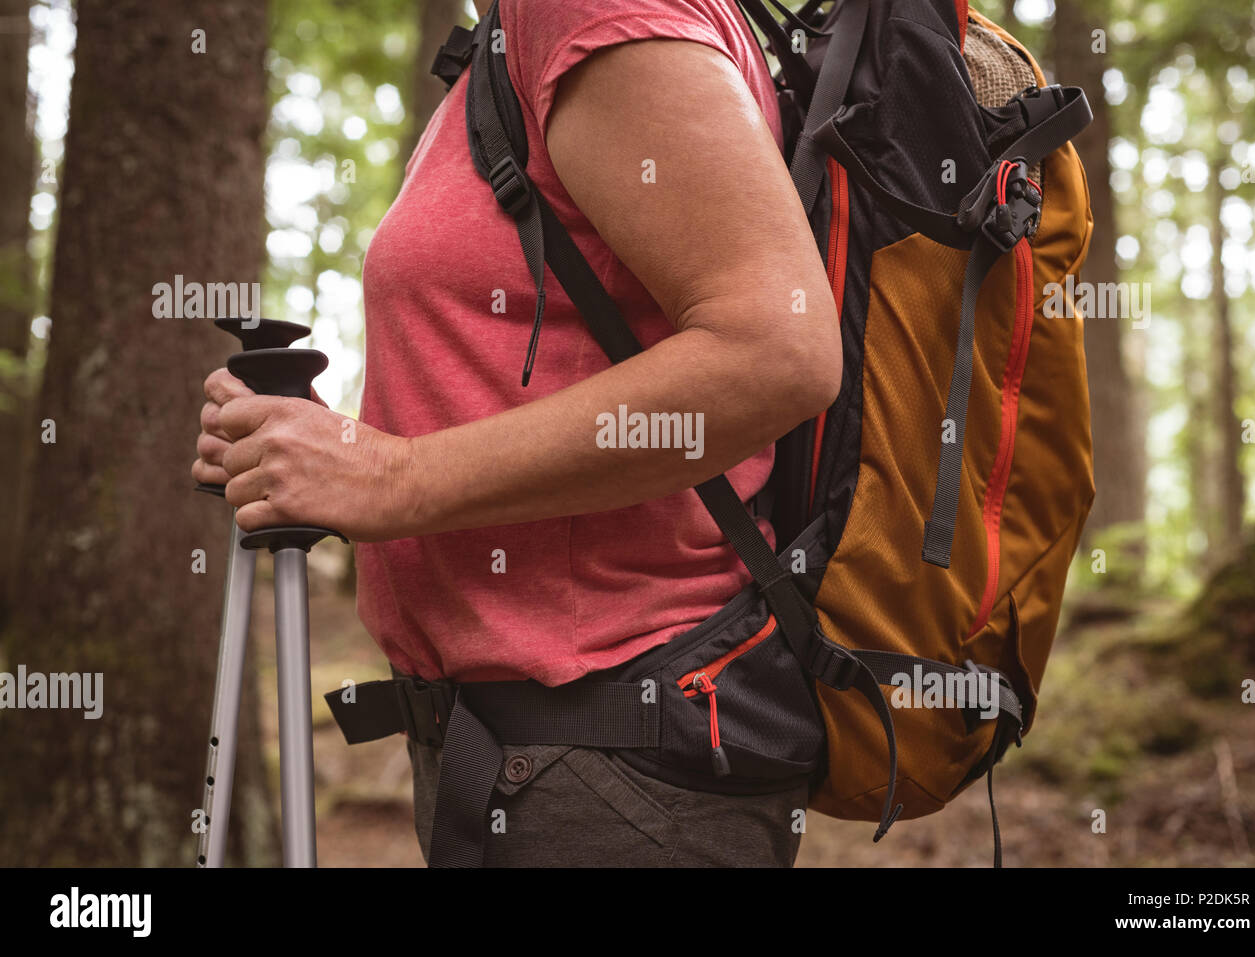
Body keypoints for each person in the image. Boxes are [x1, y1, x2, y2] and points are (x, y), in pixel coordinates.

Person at [192, 0, 841, 866]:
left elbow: (776, 350)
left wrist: (390, 476)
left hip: (611, 768)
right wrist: (312, 449)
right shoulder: (504, 42)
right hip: (526, 755)